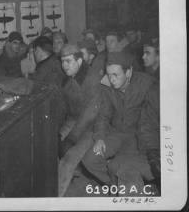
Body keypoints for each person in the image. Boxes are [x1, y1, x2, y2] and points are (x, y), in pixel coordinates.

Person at [81, 52, 155, 190]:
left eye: (116, 75)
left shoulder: (146, 83)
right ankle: (117, 185)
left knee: (121, 166)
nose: (111, 79)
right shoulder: (106, 85)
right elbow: (103, 115)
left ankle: (126, 185)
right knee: (89, 160)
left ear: (129, 72)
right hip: (116, 133)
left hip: (138, 136)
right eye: (109, 74)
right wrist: (100, 138)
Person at [57, 45, 102, 196]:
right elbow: (62, 107)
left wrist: (70, 139)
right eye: (62, 61)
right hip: (72, 122)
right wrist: (56, 132)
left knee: (69, 159)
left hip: (92, 125)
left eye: (68, 61)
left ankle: (56, 199)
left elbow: (90, 114)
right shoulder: (68, 78)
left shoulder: (92, 78)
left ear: (80, 60)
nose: (64, 66)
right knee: (50, 149)